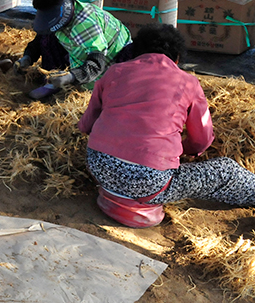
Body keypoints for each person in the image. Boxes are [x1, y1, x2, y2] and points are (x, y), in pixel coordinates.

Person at [79, 23, 255, 225]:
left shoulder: (114, 72)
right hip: (151, 183)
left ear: (136, 51)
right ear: (177, 58)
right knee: (226, 171)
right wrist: (181, 152)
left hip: (98, 167)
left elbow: (86, 125)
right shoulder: (188, 82)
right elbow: (202, 140)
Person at [16, 0, 132, 98]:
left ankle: (62, 84)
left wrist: (71, 77)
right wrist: (28, 56)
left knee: (87, 85)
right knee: (48, 38)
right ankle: (55, 80)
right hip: (82, 49)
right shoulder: (67, 13)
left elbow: (96, 63)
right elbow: (41, 36)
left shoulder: (85, 25)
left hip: (111, 60)